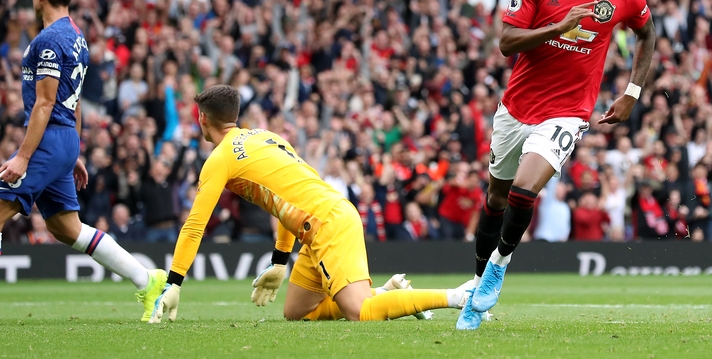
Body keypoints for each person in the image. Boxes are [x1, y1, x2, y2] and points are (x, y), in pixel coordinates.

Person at [457, 0, 655, 330]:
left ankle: (498, 267)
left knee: (525, 190)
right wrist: (558, 26)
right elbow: (507, 43)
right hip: (515, 108)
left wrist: (632, 94)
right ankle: (477, 289)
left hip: (567, 113)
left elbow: (647, 33)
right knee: (495, 198)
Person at [149, 85, 471, 323]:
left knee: (359, 312)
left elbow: (195, 225)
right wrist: (278, 261)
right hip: (323, 219)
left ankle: (457, 296)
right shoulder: (265, 136)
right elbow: (287, 200)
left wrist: (174, 281)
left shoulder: (220, 158)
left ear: (202, 118)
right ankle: (391, 295)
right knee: (297, 312)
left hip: (327, 223)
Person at [0, 0, 166, 321]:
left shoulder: (48, 40)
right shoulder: (77, 36)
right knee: (65, 227)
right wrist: (71, 152)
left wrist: (24, 157)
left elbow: (46, 103)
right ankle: (148, 279)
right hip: (63, 140)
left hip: (47, 140)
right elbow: (71, 100)